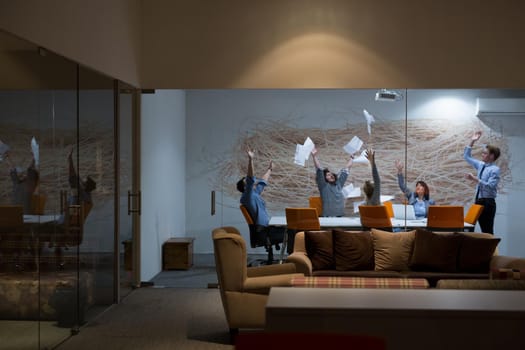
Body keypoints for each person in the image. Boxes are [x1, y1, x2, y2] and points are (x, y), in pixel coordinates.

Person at [463, 130, 500, 234]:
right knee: (469, 227)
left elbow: (491, 186)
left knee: (487, 231)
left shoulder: (495, 169)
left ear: (492, 156)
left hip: (488, 203)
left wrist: (475, 179)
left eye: (485, 153)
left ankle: (491, 250)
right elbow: (466, 156)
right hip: (478, 200)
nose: (482, 154)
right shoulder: (480, 165)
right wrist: (472, 141)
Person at [310, 147, 353, 217]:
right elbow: (319, 168)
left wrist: (352, 157)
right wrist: (314, 156)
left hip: (341, 218)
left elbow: (346, 168)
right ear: (324, 178)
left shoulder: (339, 184)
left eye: (331, 174)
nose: (331, 175)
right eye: (328, 175)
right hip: (327, 219)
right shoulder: (323, 186)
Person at [1, 139, 40, 214]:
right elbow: (13, 169)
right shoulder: (19, 183)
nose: (21, 175)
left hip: (24, 215)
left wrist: (34, 158)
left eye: (23, 174)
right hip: (17, 216)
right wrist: (7, 157)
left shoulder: (28, 183)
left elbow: (29, 170)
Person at [237, 148, 273, 227]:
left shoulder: (253, 194)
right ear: (246, 188)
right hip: (262, 228)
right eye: (247, 182)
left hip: (266, 225)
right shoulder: (247, 196)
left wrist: (270, 169)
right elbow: (250, 178)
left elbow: (262, 183)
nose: (253, 183)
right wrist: (250, 160)